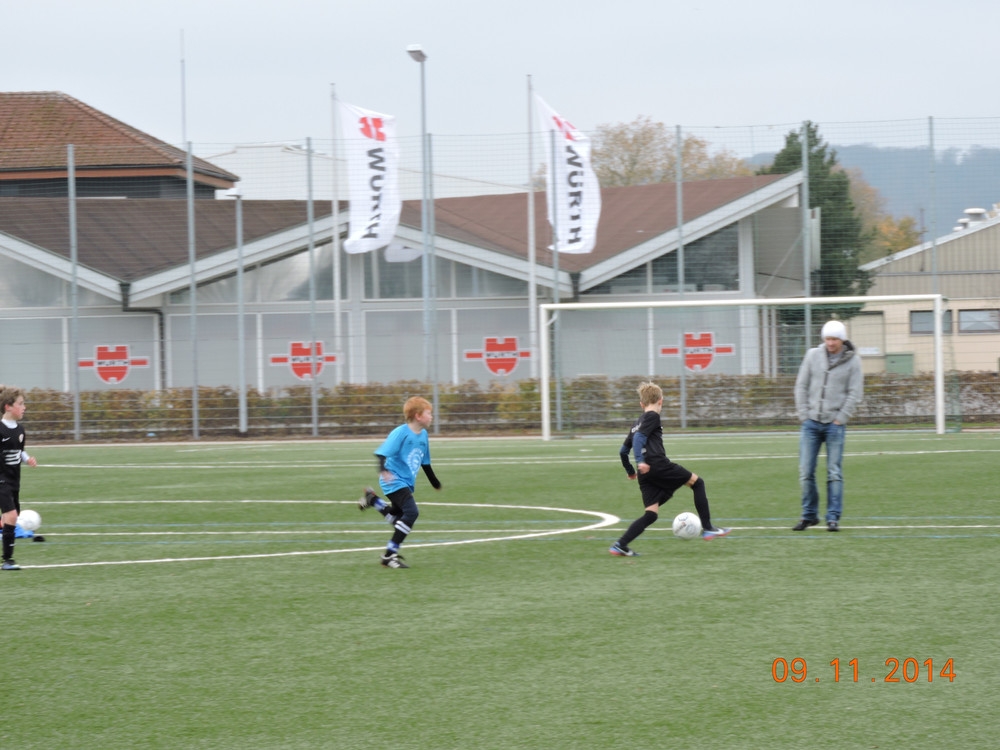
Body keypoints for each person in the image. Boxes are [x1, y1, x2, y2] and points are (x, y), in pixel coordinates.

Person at [610, 381, 730, 557]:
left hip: (645, 474)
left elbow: (622, 451)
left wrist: (631, 471)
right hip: (657, 465)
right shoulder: (652, 416)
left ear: (641, 404)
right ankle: (708, 528)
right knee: (697, 483)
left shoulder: (636, 424)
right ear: (661, 401)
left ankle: (620, 545)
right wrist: (640, 460)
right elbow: (638, 440)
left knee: (651, 514)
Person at [793, 319, 864, 532]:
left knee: (834, 473)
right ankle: (809, 515)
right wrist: (804, 415)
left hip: (835, 425)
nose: (830, 343)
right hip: (811, 424)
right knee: (806, 471)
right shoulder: (812, 355)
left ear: (842, 340)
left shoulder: (853, 361)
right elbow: (801, 385)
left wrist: (841, 418)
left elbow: (855, 392)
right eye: (827, 339)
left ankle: (833, 517)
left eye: (834, 339)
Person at [357, 396, 442, 568]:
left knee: (397, 519)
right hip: (393, 480)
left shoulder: (423, 435)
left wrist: (434, 481)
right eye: (429, 413)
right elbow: (382, 453)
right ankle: (389, 556)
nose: (431, 416)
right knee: (411, 513)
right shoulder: (401, 432)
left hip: (406, 482)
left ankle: (372, 500)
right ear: (418, 416)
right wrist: (383, 470)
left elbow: (425, 461)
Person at [0, 386, 39, 571]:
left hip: (14, 480)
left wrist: (27, 459)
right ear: (8, 407)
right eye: (20, 404)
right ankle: (7, 560)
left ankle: (8, 557)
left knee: (11, 519)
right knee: (12, 515)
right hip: (1, 479)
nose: (24, 407)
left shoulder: (20, 430)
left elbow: (19, 451)